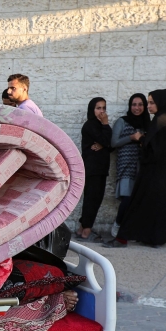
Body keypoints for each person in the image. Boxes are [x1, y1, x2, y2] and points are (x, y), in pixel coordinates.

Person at [105, 89, 166, 249]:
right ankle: (152, 238)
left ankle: (122, 238)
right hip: (158, 170)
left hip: (153, 170)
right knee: (152, 204)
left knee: (136, 202)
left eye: (151, 102)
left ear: (160, 103)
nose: (148, 106)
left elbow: (155, 148)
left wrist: (142, 141)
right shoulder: (164, 119)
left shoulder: (160, 121)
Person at [108, 93, 149, 240]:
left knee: (138, 199)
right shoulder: (122, 121)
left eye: (140, 105)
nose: (137, 108)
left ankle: (131, 229)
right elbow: (113, 143)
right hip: (126, 164)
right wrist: (131, 138)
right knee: (127, 197)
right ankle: (118, 223)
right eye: (134, 104)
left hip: (141, 166)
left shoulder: (147, 124)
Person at [75, 97, 113, 242]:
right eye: (98, 108)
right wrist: (106, 125)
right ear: (92, 109)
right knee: (93, 198)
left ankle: (82, 228)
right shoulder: (91, 125)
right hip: (93, 168)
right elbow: (108, 140)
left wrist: (104, 145)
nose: (102, 112)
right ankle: (86, 230)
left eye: (104, 108)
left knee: (93, 198)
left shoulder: (99, 126)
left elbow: (110, 144)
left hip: (99, 168)